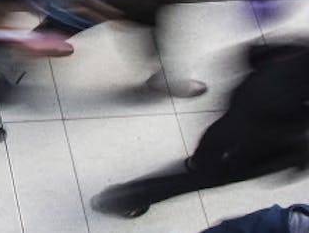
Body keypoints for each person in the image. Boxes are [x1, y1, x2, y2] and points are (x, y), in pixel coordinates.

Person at [90, 40, 309, 219]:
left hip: (237, 118)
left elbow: (257, 54)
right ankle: (120, 199)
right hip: (253, 145)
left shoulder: (301, 53)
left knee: (208, 154)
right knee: (202, 177)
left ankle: (197, 162)